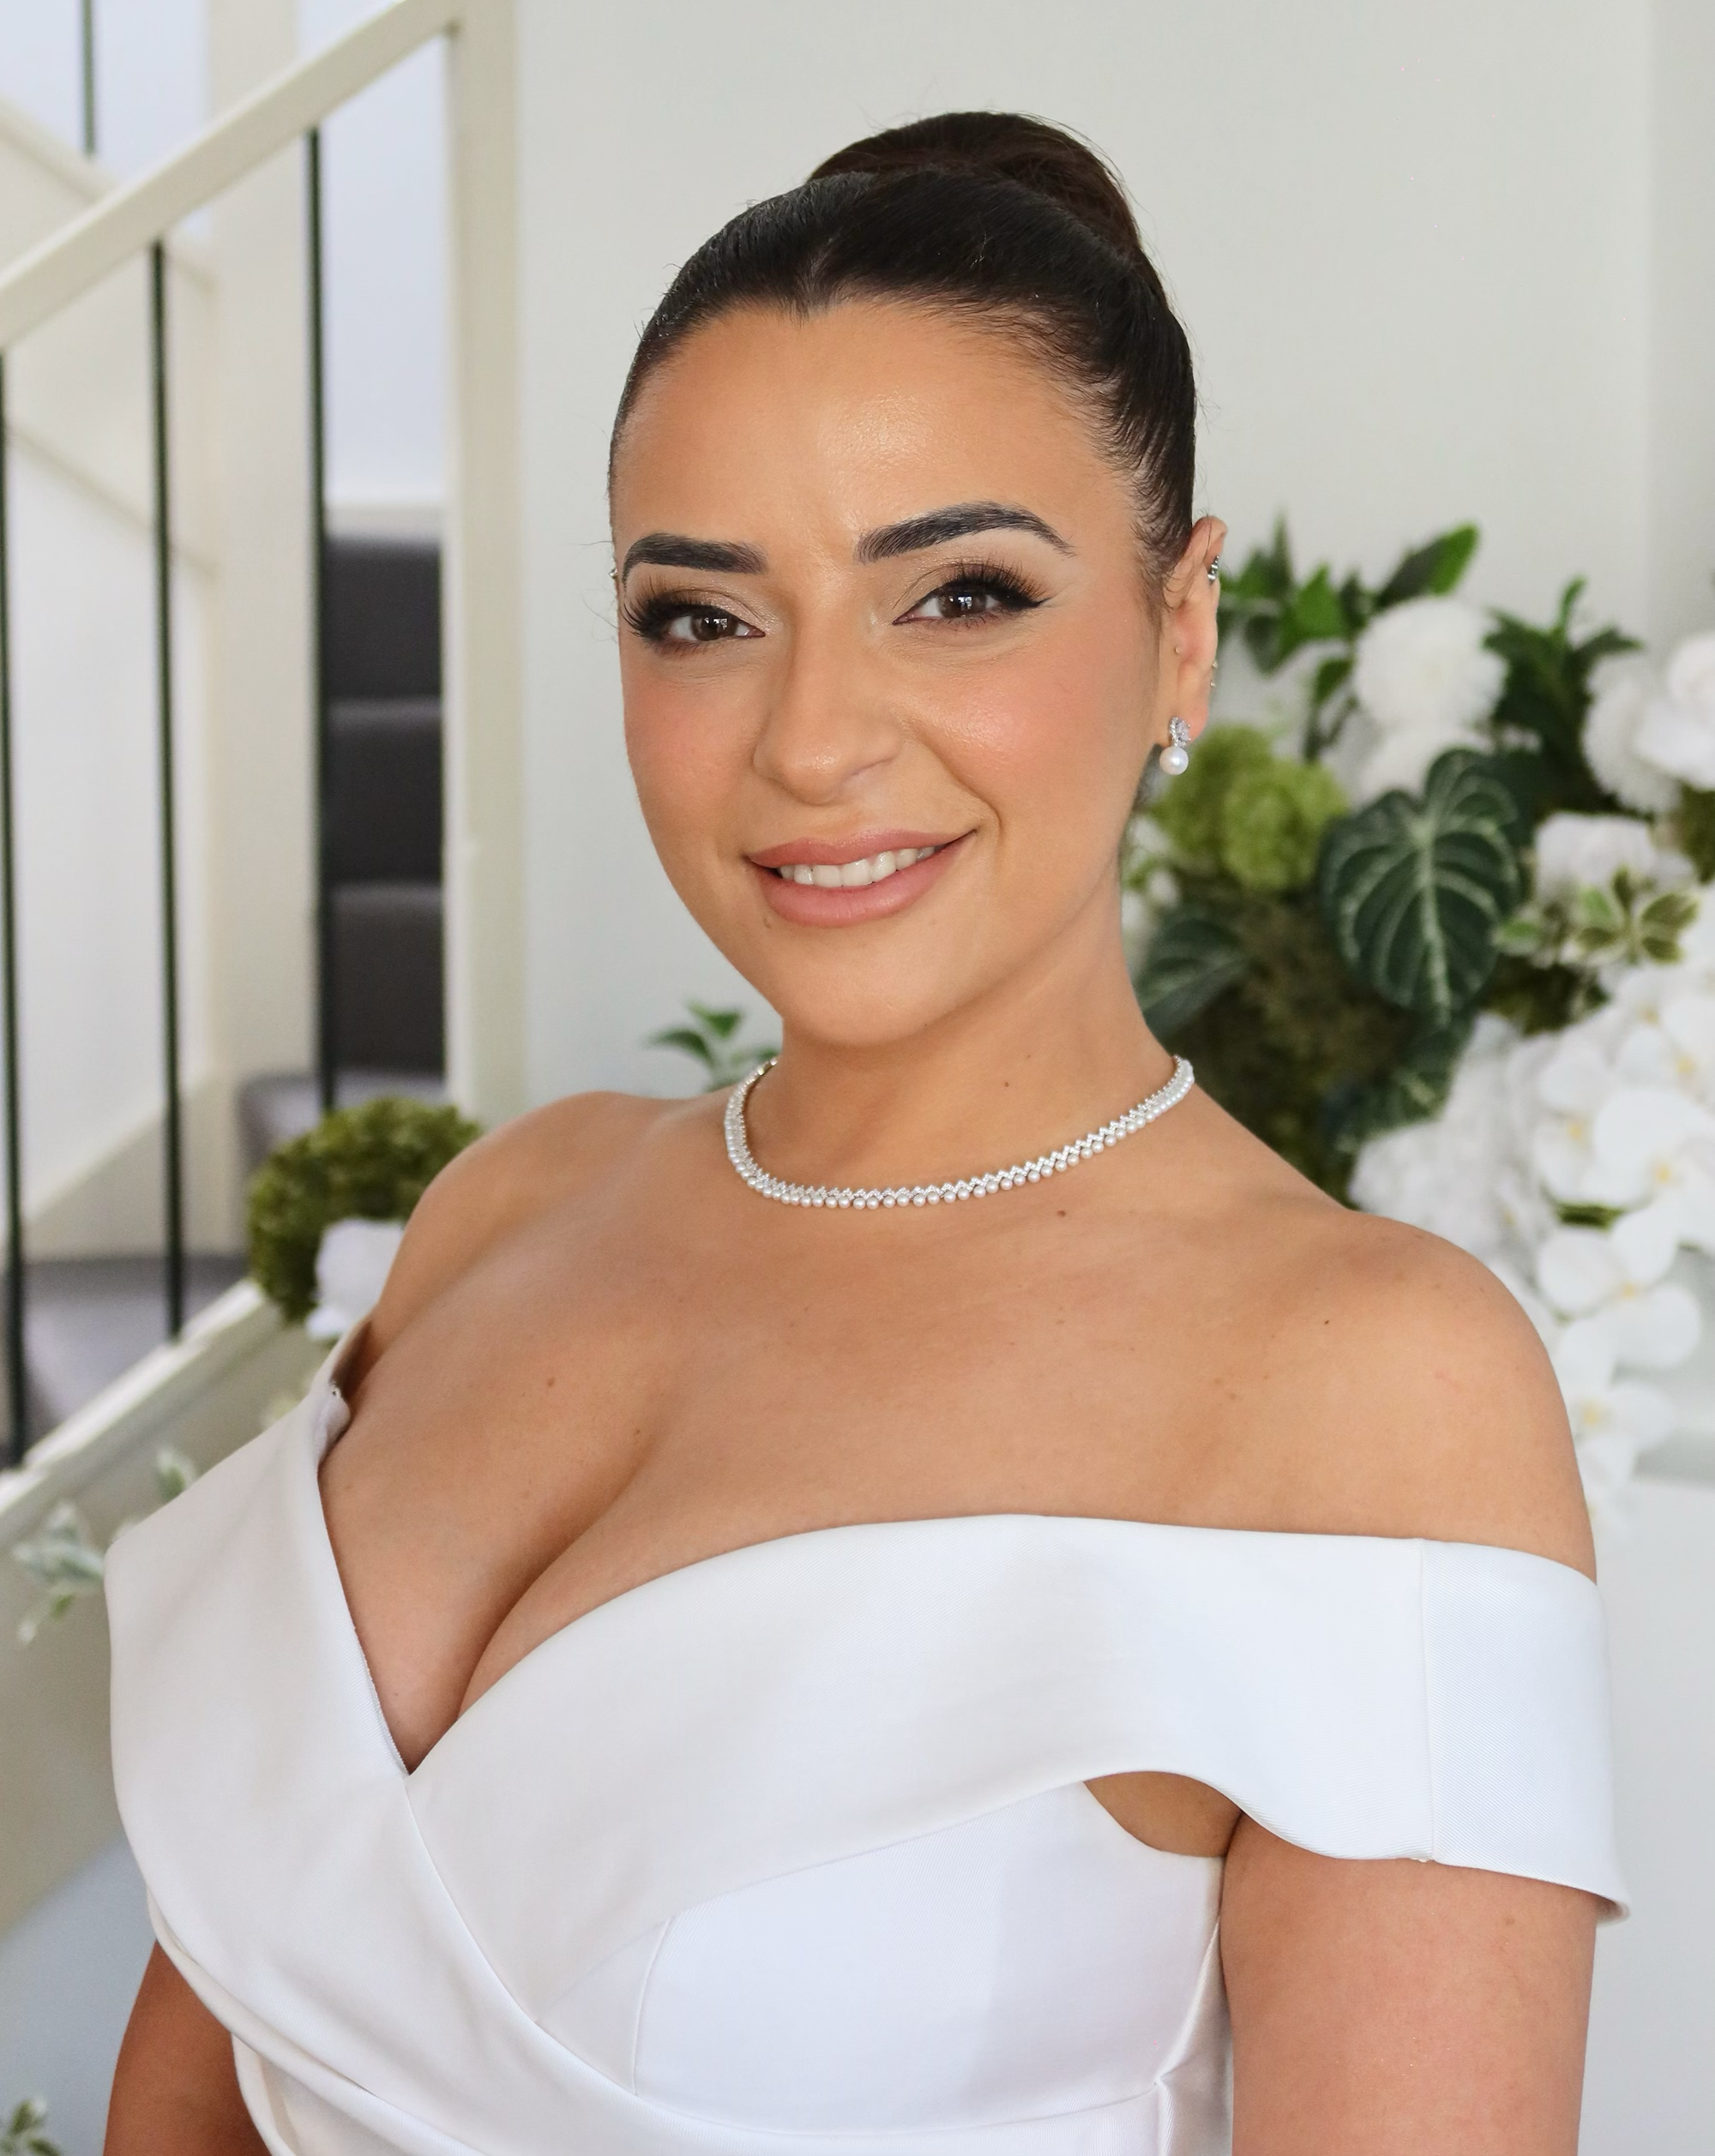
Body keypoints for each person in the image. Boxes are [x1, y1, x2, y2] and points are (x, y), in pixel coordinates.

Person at [104, 113, 1621, 2156]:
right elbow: (195, 2078)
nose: (812, 741)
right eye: (700, 617)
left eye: (960, 593)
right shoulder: (506, 1210)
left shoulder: (1368, 1388)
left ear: (1182, 630)